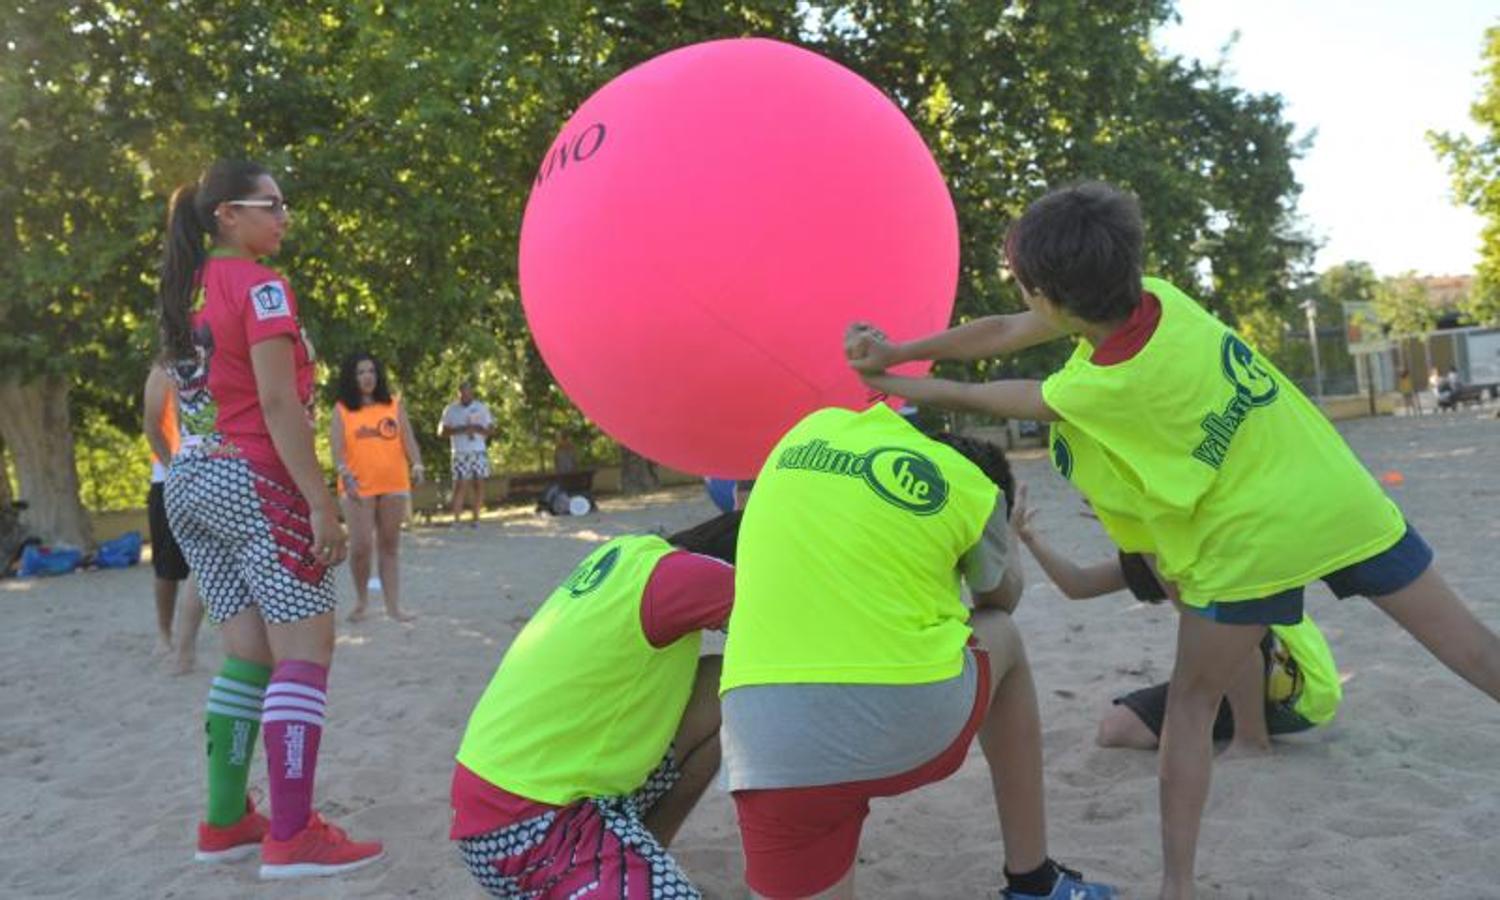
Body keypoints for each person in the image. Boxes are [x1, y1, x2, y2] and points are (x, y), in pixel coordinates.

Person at [845, 181, 1500, 899]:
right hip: (1337, 494)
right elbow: (1003, 331)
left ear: (1051, 296)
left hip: (1251, 541)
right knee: (1468, 645)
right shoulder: (1163, 295)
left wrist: (902, 379)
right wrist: (901, 352)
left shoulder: (1095, 387)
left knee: (1190, 706)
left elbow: (990, 386)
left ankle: (1178, 888)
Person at [721, 405, 1116, 900]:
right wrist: (1007, 540)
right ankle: (1032, 878)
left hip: (763, 739)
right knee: (1002, 634)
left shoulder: (808, 429)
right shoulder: (972, 486)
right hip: (905, 715)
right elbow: (1000, 599)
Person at [157, 159, 383, 877]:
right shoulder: (260, 287)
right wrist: (322, 504)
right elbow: (279, 405)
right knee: (307, 653)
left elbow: (169, 393)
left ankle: (225, 821)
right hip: (254, 477)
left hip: (189, 481)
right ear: (228, 213)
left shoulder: (183, 288)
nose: (284, 217)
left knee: (248, 655)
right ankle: (292, 834)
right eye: (271, 205)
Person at [450, 511, 742, 898]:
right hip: (532, 825)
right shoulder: (689, 578)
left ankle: (639, 858)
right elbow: (802, 623)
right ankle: (620, 876)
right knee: (744, 684)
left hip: (497, 805)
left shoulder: (633, 553)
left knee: (725, 684)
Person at [1009, 484, 1340, 755]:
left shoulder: (1193, 532)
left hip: (1293, 680)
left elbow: (1200, 616)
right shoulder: (1147, 542)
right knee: (1117, 729)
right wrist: (1030, 539)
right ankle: (1233, 726)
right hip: (1248, 676)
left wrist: (1136, 527)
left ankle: (1251, 739)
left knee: (1224, 631)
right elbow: (1078, 584)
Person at [331, 351, 423, 623]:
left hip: (394, 482)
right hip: (357, 487)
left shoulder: (393, 404)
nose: (367, 377)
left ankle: (394, 607)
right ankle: (361, 602)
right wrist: (344, 472)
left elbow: (408, 438)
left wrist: (417, 463)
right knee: (360, 547)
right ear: (352, 377)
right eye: (360, 372)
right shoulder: (342, 410)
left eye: (371, 371)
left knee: (389, 545)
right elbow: (337, 449)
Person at [143, 363, 206, 674]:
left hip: (209, 475)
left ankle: (185, 642)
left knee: (208, 562)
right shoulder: (163, 370)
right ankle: (164, 634)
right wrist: (174, 468)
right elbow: (152, 427)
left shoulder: (214, 364)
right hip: (168, 480)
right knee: (167, 569)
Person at [439, 381, 493, 527]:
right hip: (460, 453)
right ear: (459, 393)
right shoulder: (450, 410)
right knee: (460, 485)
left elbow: (490, 430)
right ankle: (456, 520)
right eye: (463, 393)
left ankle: (476, 519)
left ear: (473, 393)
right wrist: (461, 429)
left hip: (478, 451)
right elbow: (442, 432)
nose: (466, 396)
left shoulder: (481, 408)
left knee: (479, 484)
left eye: (469, 392)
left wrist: (477, 428)